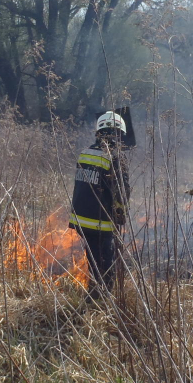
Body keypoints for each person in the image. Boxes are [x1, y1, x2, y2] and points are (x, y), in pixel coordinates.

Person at [69, 110, 131, 296]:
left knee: (93, 258)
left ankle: (94, 291)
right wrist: (120, 215)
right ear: (119, 134)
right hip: (101, 220)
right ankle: (103, 297)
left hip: (81, 218)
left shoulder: (85, 153)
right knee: (106, 261)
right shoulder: (115, 157)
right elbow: (121, 192)